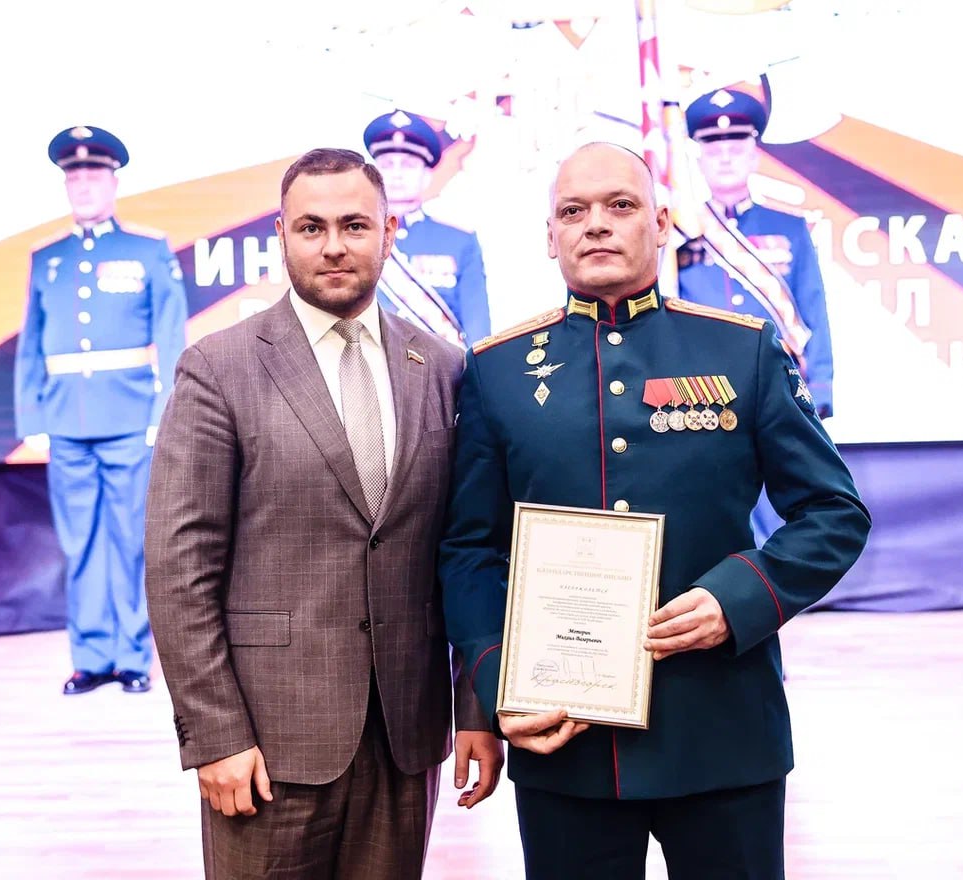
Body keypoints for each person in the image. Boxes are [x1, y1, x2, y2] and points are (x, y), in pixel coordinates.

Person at [439, 142, 870, 879]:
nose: (595, 224)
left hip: (722, 734)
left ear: (662, 222)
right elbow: (470, 550)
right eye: (573, 211)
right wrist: (493, 679)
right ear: (550, 237)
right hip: (565, 742)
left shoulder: (741, 352)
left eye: (621, 205)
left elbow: (834, 512)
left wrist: (738, 597)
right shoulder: (497, 370)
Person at [144, 148, 503, 880]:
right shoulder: (219, 368)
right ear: (282, 235)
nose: (334, 245)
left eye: (354, 225)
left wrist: (475, 706)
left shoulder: (442, 367)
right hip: (265, 747)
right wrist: (214, 734)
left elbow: (469, 549)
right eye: (311, 227)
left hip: (405, 739)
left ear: (388, 232)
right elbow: (181, 569)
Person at [13, 125, 188, 696]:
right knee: (79, 543)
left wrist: (165, 411)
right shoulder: (48, 259)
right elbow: (30, 345)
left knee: (130, 539)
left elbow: (171, 335)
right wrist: (32, 418)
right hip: (66, 421)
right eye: (75, 177)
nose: (84, 186)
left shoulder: (147, 250)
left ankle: (132, 656)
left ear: (114, 182)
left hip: (130, 419)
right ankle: (90, 658)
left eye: (94, 175)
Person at [678, 88, 837, 544]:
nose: (725, 157)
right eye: (713, 147)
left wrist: (821, 385)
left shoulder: (789, 227)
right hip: (702, 389)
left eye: (736, 146)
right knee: (713, 503)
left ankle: (775, 580)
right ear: (699, 157)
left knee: (782, 498)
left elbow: (813, 307)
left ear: (754, 154)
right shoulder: (679, 233)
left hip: (774, 384)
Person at [363, 109, 492, 343]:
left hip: (443, 365)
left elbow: (478, 333)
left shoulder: (460, 241)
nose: (397, 174)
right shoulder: (356, 239)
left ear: (426, 176)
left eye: (408, 165)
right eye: (388, 164)